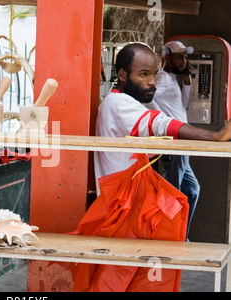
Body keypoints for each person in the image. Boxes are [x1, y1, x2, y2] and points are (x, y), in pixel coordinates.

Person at [94, 42, 231, 195]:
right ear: (122, 75)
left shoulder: (118, 101)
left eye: (154, 74)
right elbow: (158, 123)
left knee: (189, 191)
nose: (152, 81)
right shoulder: (118, 103)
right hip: (122, 205)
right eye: (143, 74)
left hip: (126, 199)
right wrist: (215, 136)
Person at [149, 41, 199, 239]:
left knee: (192, 190)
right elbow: (147, 99)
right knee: (173, 193)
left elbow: (185, 104)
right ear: (167, 57)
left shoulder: (173, 79)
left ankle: (180, 235)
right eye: (180, 56)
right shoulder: (162, 78)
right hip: (174, 142)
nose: (184, 60)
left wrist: (186, 77)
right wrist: (163, 120)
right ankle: (169, 237)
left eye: (185, 57)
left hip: (181, 144)